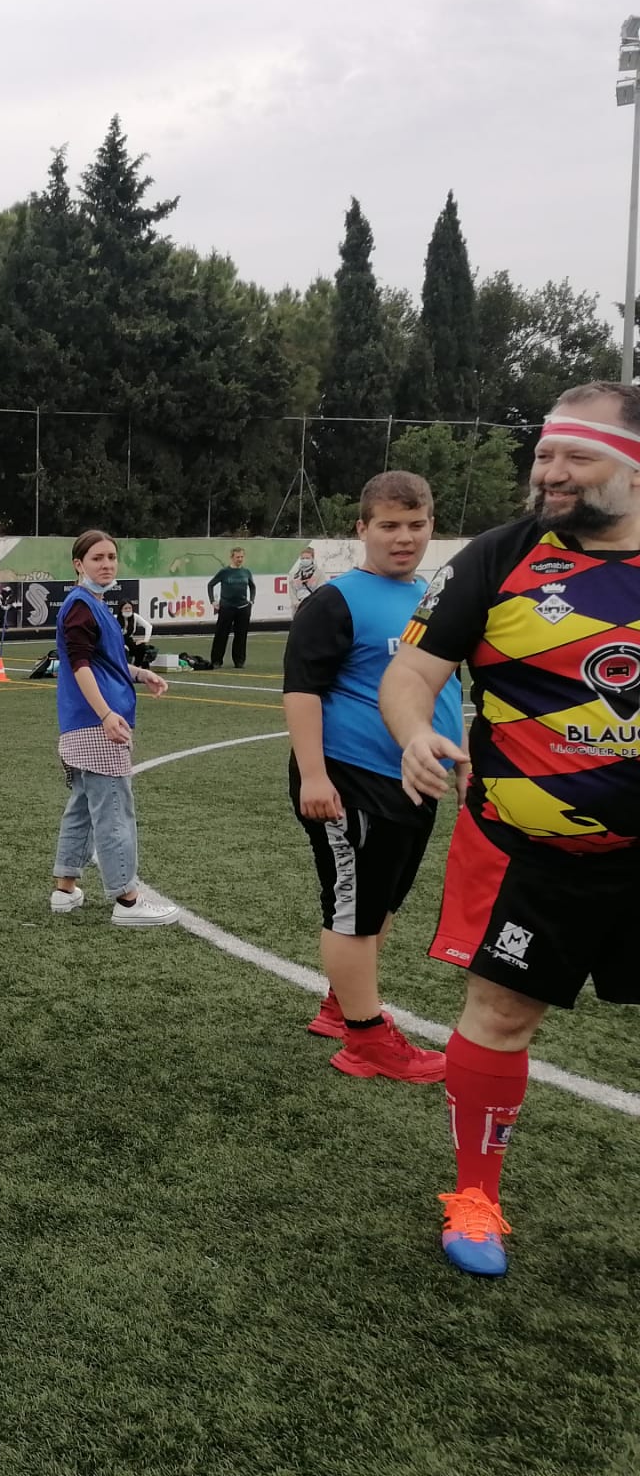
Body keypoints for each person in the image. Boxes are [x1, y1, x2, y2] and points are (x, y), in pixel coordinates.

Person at [382, 380, 640, 1278]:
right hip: (537, 854)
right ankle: (476, 1199)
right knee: (498, 1014)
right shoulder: (499, 557)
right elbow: (411, 673)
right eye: (543, 456)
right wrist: (416, 732)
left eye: (576, 456)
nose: (552, 473)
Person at [282, 472, 460, 1081]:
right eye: (388, 525)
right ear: (362, 529)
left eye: (416, 524)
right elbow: (302, 692)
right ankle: (365, 1040)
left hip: (415, 778)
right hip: (348, 778)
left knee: (382, 904)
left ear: (431, 525)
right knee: (353, 909)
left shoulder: (436, 598)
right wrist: (313, 776)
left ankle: (341, 1003)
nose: (403, 537)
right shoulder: (335, 601)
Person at [48, 530, 180, 927]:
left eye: (111, 557)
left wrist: (140, 674)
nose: (106, 564)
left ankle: (65, 888)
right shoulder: (80, 606)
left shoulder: (94, 605)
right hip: (94, 726)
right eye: (96, 558)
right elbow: (80, 665)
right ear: (78, 564)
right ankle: (127, 900)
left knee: (84, 809)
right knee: (115, 811)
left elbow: (105, 663)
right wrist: (106, 714)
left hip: (85, 724)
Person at [208, 546, 256, 667]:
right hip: (227, 607)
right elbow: (211, 584)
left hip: (243, 607)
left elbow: (252, 586)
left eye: (241, 557)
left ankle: (239, 661)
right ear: (232, 557)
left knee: (241, 635)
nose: (240, 559)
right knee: (221, 634)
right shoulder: (224, 572)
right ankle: (216, 661)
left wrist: (251, 601)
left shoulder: (246, 572)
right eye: (237, 557)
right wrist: (213, 601)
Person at [117, 598, 156, 671]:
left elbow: (148, 626)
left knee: (142, 647)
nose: (128, 610)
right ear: (121, 609)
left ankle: (137, 666)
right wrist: (122, 645)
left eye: (129, 608)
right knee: (124, 650)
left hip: (129, 640)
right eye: (125, 608)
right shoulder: (115, 618)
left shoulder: (135, 616)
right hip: (117, 641)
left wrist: (145, 640)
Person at [288, 544, 320, 613]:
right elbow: (292, 592)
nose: (305, 560)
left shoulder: (319, 573)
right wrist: (296, 603)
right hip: (299, 607)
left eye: (307, 558)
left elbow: (322, 590)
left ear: (313, 558)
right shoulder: (294, 574)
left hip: (314, 606)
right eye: (303, 558)